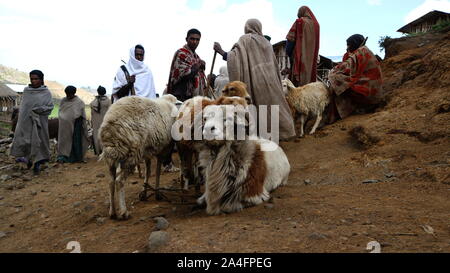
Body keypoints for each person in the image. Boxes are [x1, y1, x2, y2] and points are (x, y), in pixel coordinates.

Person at [213, 19, 296, 141]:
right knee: (272, 108)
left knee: (257, 110)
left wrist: (220, 51)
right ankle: (280, 134)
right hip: (271, 84)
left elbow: (234, 59)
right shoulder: (266, 43)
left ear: (247, 27)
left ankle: (260, 139)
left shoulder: (245, 40)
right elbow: (274, 66)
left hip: (255, 83)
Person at [327, 34, 383, 123]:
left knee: (335, 78)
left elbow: (346, 66)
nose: (347, 47)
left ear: (355, 44)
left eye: (348, 45)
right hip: (373, 91)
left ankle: (335, 115)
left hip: (368, 91)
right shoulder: (364, 51)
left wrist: (332, 72)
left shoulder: (361, 51)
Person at [10, 70, 54, 175]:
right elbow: (24, 108)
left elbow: (50, 107)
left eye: (36, 79)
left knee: (39, 141)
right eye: (32, 79)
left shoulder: (46, 92)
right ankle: (29, 160)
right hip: (25, 123)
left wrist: (39, 109)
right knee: (27, 141)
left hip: (40, 123)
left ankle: (37, 164)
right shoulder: (26, 91)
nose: (34, 81)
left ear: (41, 80)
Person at [166, 29, 207, 102]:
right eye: (192, 39)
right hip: (181, 97)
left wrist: (201, 66)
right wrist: (198, 65)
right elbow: (185, 74)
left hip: (193, 98)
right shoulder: (181, 54)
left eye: (197, 40)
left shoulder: (197, 58)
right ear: (186, 39)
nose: (195, 42)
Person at [284, 6, 320, 87]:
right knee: (309, 81)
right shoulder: (317, 25)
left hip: (299, 58)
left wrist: (290, 53)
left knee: (296, 85)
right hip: (311, 61)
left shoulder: (299, 22)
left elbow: (290, 40)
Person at [57, 86, 89, 163]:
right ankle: (64, 156)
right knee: (65, 140)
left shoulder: (79, 102)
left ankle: (76, 157)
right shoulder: (63, 101)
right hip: (65, 126)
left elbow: (81, 114)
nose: (68, 96)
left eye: (70, 94)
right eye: (67, 94)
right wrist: (65, 119)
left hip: (76, 125)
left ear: (74, 93)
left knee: (75, 141)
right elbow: (61, 112)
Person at [90, 86, 111, 156]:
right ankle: (105, 152)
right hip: (105, 122)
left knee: (96, 136)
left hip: (96, 122)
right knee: (105, 136)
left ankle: (98, 152)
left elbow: (92, 114)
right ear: (105, 92)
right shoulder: (108, 101)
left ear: (98, 92)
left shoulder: (93, 102)